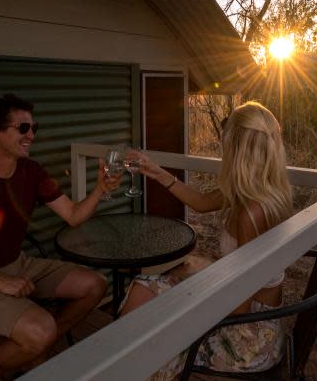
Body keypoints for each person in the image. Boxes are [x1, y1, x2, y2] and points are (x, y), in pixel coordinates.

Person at [0, 93, 120, 381]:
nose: (32, 135)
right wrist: (0, 282)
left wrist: (100, 190)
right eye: (23, 128)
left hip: (19, 265)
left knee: (95, 284)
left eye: (34, 128)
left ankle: (32, 351)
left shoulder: (32, 171)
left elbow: (73, 215)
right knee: (40, 330)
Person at [122, 101, 294, 379]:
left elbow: (240, 307)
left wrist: (190, 294)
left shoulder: (252, 213)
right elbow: (201, 202)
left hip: (249, 337)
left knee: (154, 340)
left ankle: (127, 367)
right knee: (143, 288)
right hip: (238, 308)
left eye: (225, 144)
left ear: (236, 149)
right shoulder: (254, 191)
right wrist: (155, 171)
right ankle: (124, 361)